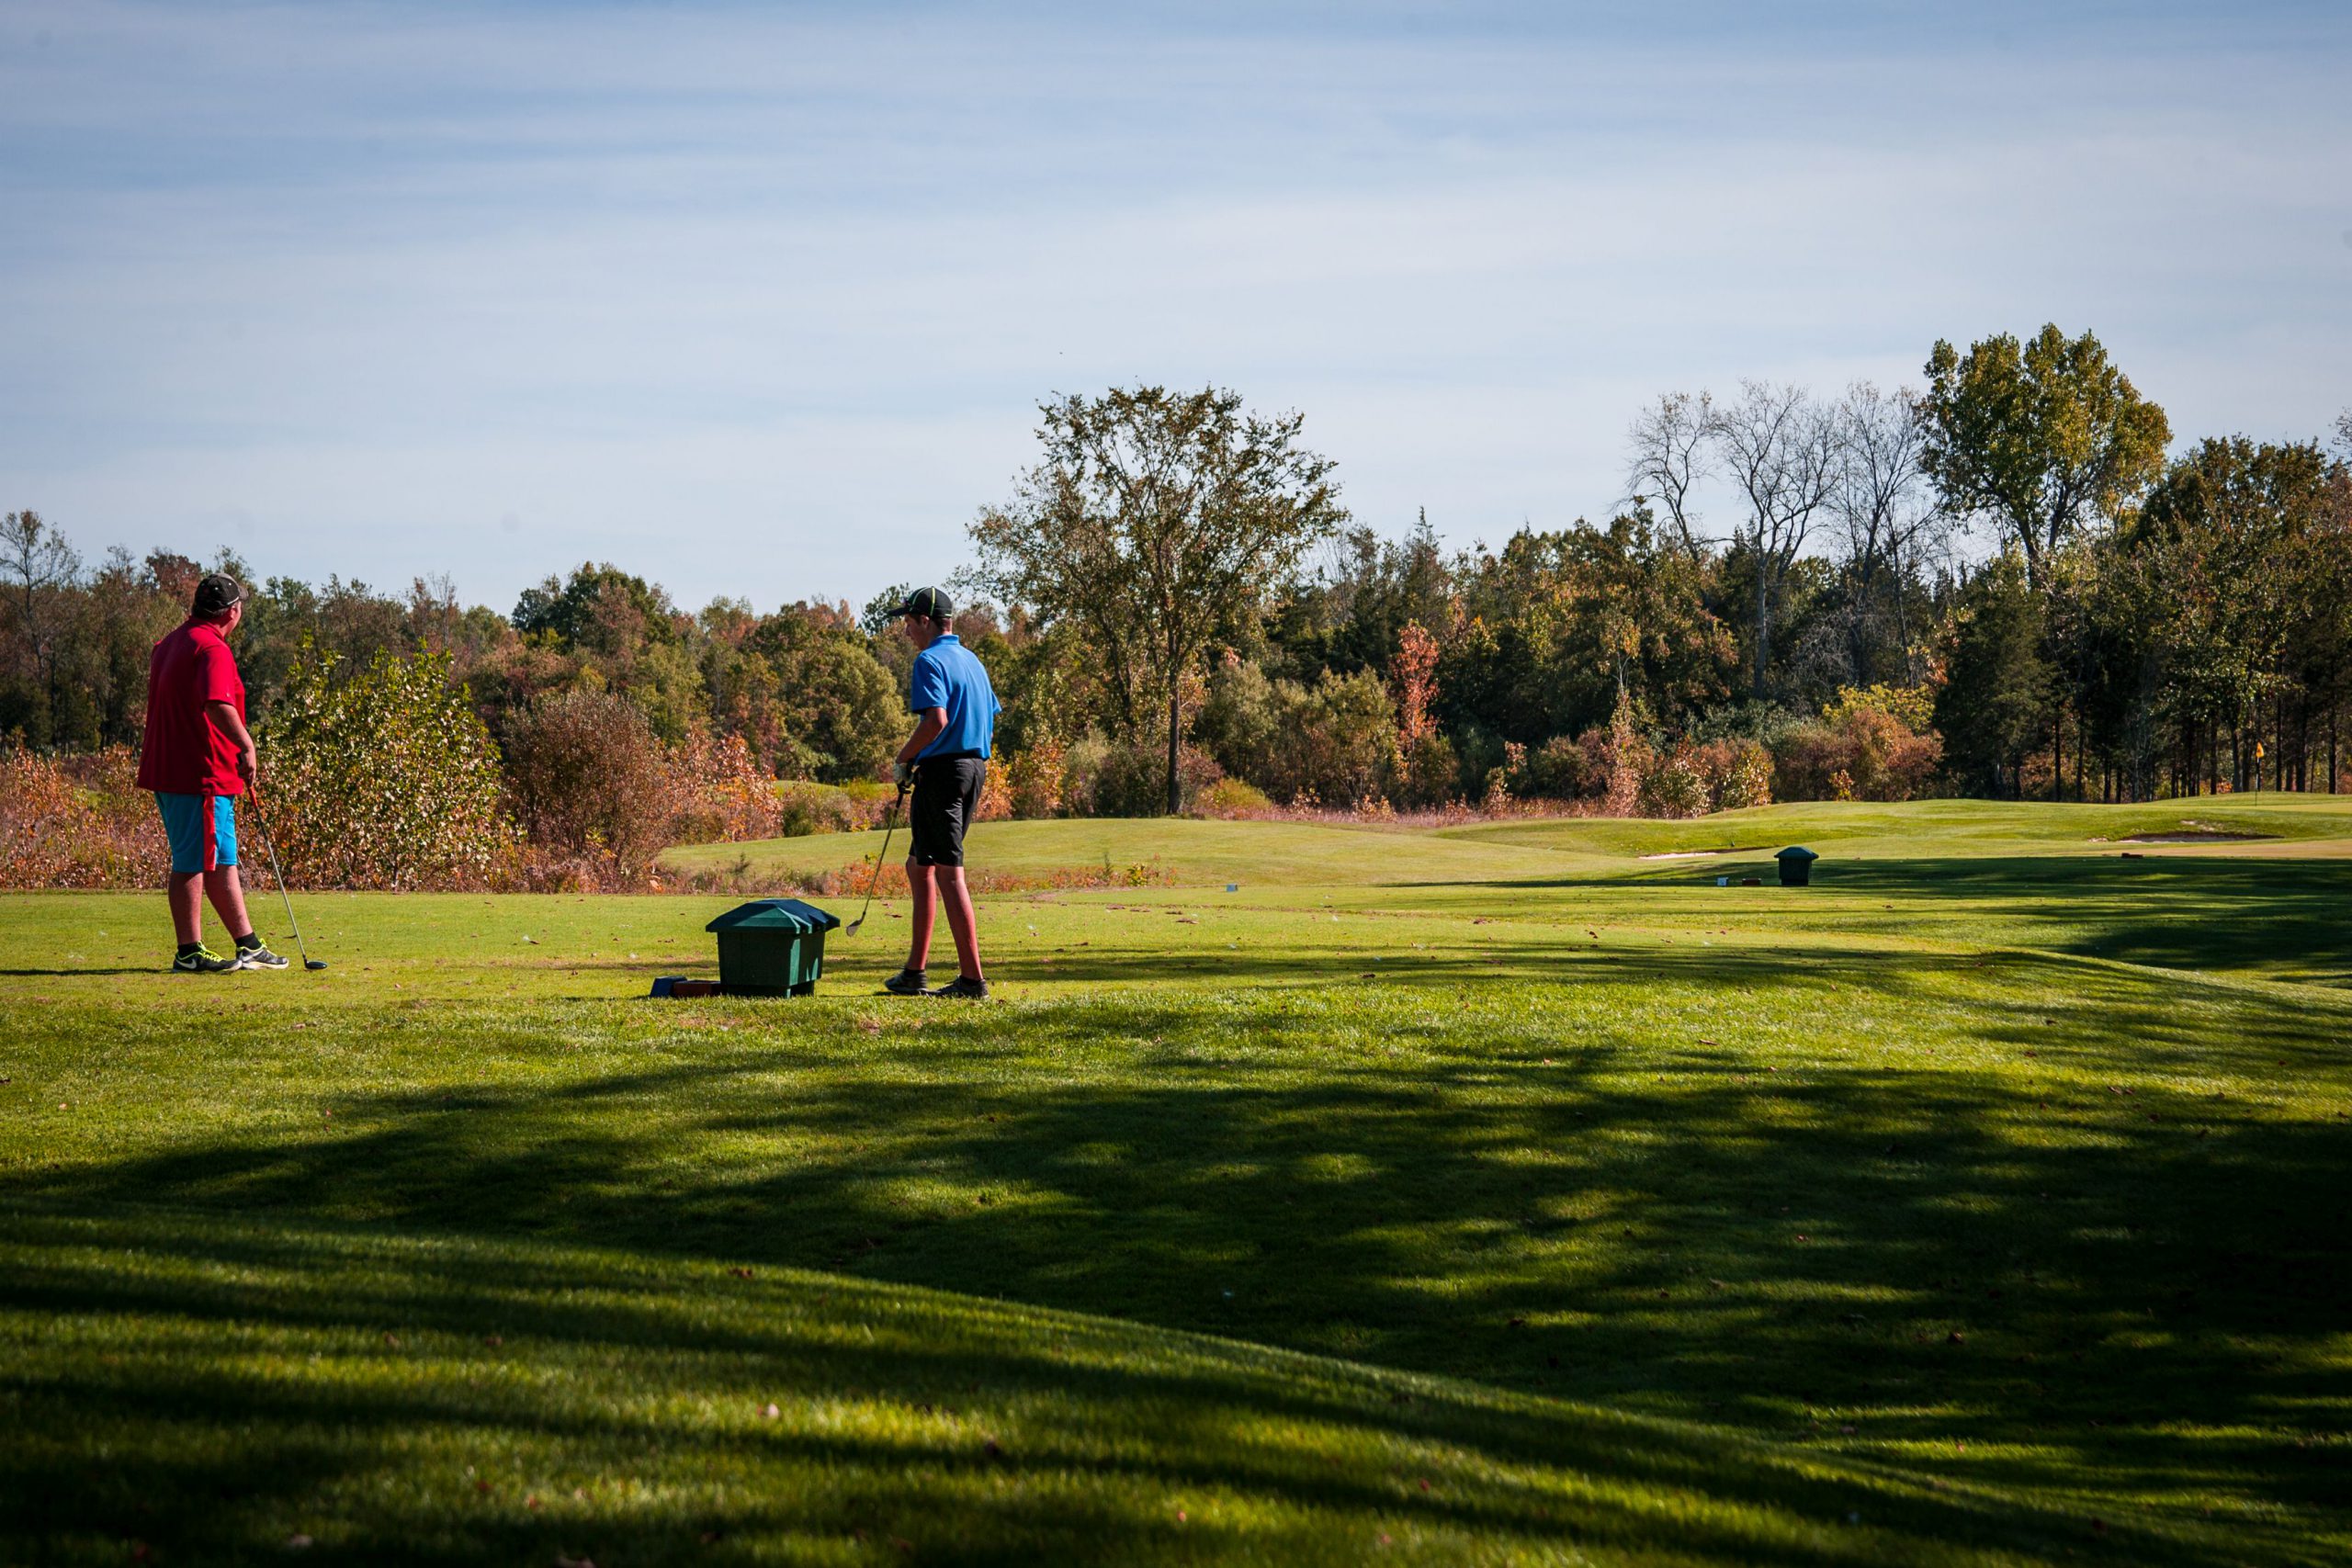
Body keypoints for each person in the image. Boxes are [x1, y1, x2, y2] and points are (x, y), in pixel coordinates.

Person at [133, 572, 288, 973]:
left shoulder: (170, 643)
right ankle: (189, 952)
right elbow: (216, 704)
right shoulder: (211, 648)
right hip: (197, 774)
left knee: (220, 859)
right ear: (232, 612)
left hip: (180, 770)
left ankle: (248, 945)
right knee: (191, 861)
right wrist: (247, 744)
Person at [881, 586, 1000, 999]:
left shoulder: (929, 660)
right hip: (971, 769)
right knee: (919, 866)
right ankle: (914, 973)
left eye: (909, 623)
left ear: (926, 621)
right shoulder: (972, 660)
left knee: (949, 873)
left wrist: (904, 758)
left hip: (945, 774)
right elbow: (988, 714)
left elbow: (936, 720)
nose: (907, 632)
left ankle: (972, 981)